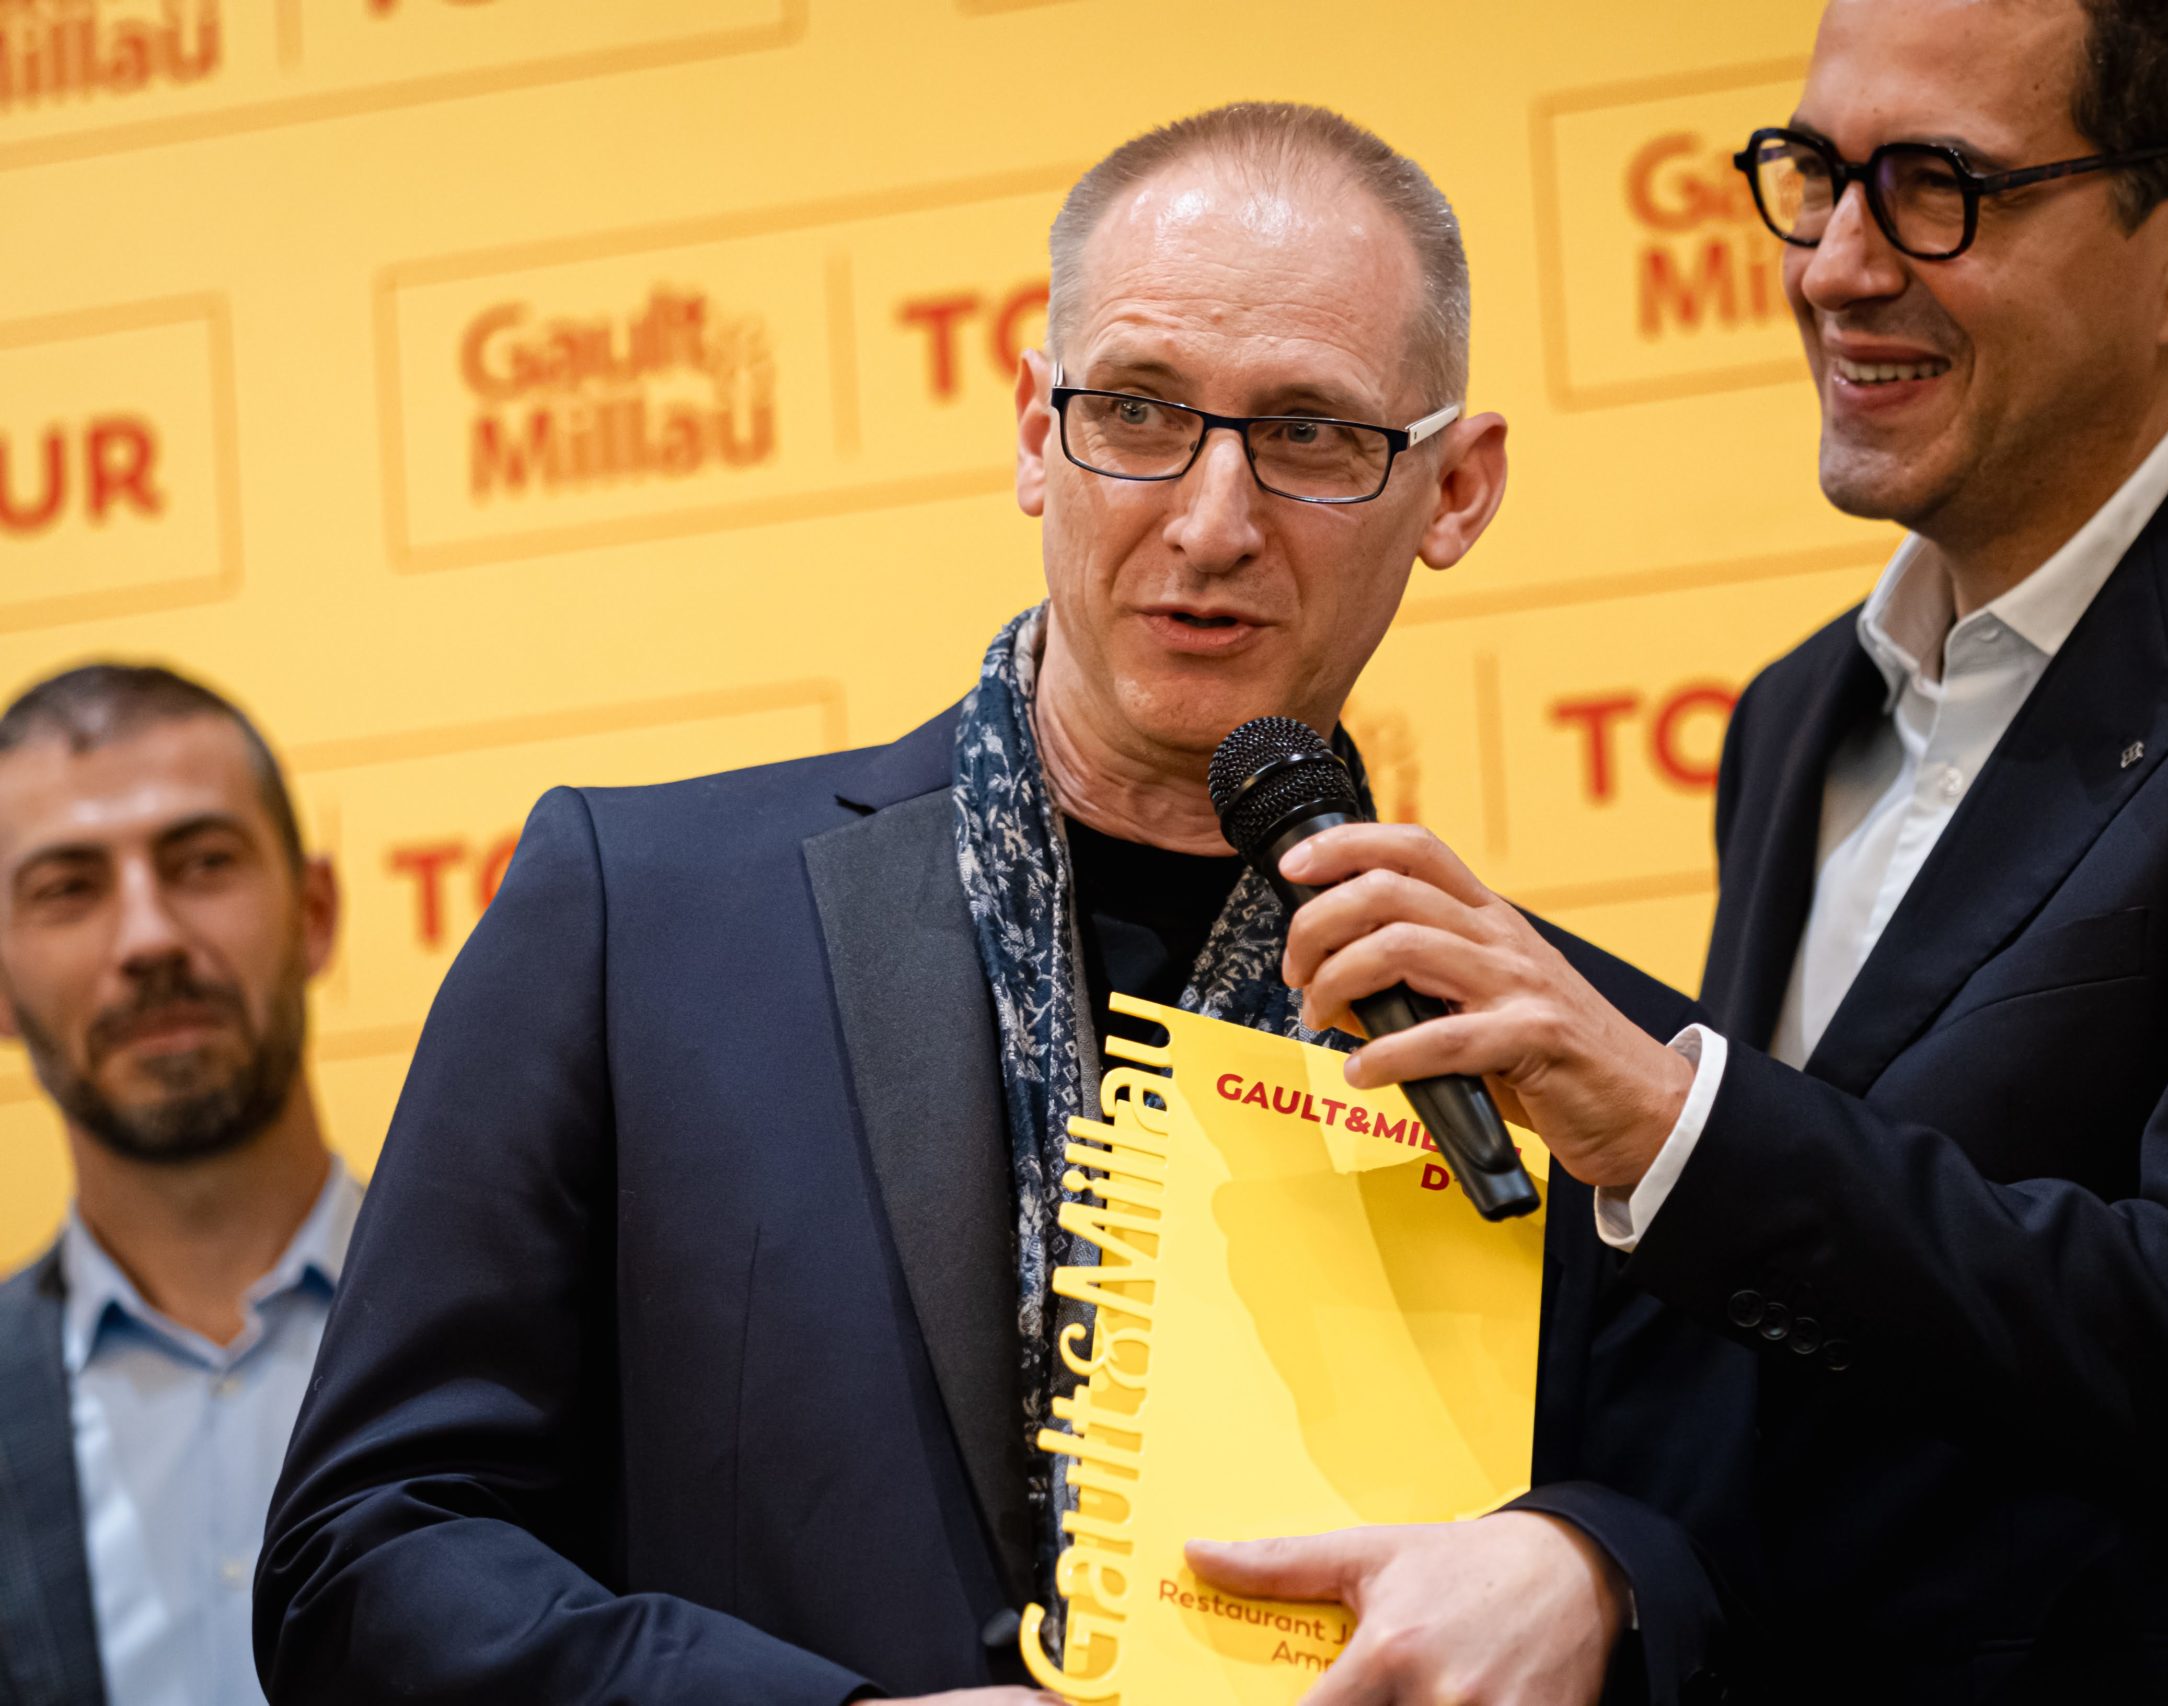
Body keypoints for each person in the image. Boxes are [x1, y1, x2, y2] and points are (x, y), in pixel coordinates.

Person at [253, 102, 1729, 1706]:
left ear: (1455, 489)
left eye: (1311, 433)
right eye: (1139, 411)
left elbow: (1763, 1572)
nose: (1210, 520)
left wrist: (1601, 1571)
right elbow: (365, 1556)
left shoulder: (1585, 1078)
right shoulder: (640, 922)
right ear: (1036, 430)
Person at [1201, 0, 2168, 1699]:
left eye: (1936, 187)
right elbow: (1827, 1363)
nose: (1836, 264)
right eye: (1816, 172)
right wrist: (1593, 1551)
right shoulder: (1799, 715)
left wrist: (1671, 1120)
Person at [0, 664, 359, 1706]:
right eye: (68, 888)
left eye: (203, 863)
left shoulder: (541, 1337)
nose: (149, 937)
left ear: (315, 911)